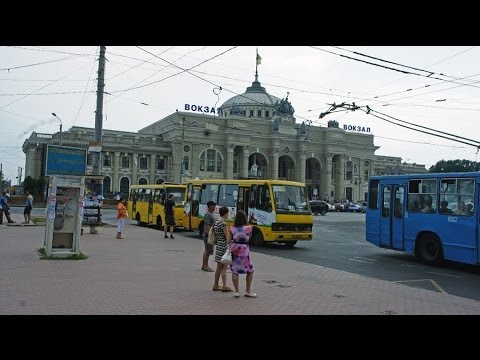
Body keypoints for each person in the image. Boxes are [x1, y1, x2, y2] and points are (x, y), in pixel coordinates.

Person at [228, 210, 256, 298]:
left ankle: (236, 291)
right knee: (250, 270)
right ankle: (248, 291)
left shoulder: (232, 228)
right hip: (245, 251)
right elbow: (249, 238)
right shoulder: (248, 228)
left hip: (235, 251)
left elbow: (228, 240)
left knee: (235, 271)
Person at [212, 206, 233, 292]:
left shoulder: (216, 222)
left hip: (218, 245)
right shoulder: (223, 224)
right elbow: (227, 236)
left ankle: (215, 284)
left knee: (218, 267)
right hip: (224, 246)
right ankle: (224, 285)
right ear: (225, 213)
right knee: (224, 267)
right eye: (227, 213)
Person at [201, 200, 217, 272]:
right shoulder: (208, 214)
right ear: (210, 206)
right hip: (208, 235)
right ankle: (206, 266)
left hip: (209, 235)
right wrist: (209, 235)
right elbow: (207, 226)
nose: (214, 207)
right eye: (213, 206)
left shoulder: (211, 214)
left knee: (206, 250)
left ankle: (204, 265)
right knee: (207, 251)